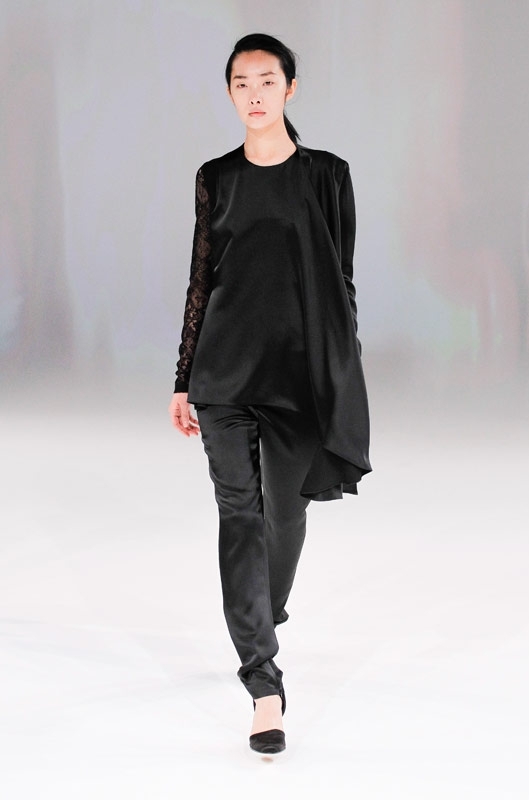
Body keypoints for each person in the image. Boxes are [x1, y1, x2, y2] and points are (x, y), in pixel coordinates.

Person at [168, 33, 371, 755]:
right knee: (240, 515)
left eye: (265, 81)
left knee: (284, 517)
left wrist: (341, 374)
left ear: (290, 88)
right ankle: (263, 682)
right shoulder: (215, 177)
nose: (253, 94)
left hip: (296, 376)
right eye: (240, 83)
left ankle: (262, 611)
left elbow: (340, 281)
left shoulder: (327, 176)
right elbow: (202, 278)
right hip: (223, 376)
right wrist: (183, 378)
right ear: (230, 93)